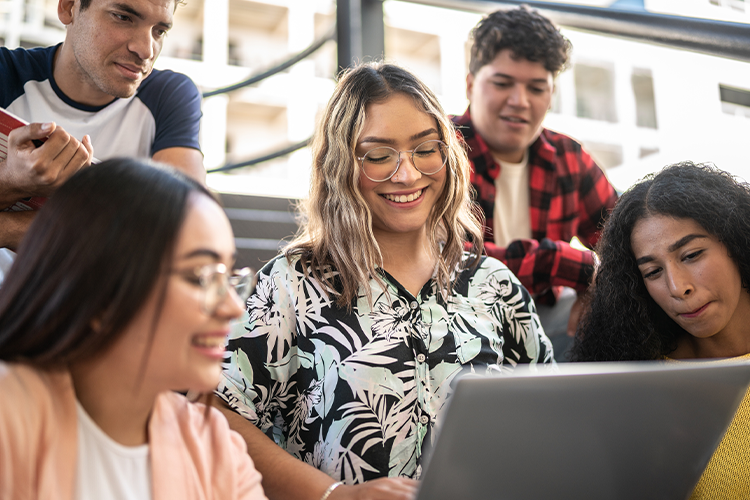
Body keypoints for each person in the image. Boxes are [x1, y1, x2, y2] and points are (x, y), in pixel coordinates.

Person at [215, 62, 554, 500]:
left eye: (425, 149)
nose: (407, 174)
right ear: (340, 165)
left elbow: (551, 415)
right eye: (378, 156)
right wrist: (336, 495)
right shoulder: (291, 283)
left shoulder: (494, 284)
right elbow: (217, 412)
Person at [0, 159, 266, 500]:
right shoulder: (10, 420)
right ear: (99, 292)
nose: (233, 307)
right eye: (202, 277)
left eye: (230, 278)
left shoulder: (217, 450)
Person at [571, 162, 750, 498]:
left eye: (692, 255)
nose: (677, 287)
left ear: (737, 240)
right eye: (652, 272)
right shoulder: (640, 382)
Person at [451, 6, 618, 358]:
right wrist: (564, 263)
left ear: (551, 94)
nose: (520, 101)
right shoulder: (436, 150)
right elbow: (444, 258)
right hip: (453, 325)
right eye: (502, 83)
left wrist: (601, 284)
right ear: (469, 85)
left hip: (542, 324)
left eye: (536, 87)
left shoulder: (568, 158)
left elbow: (627, 240)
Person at [0, 0, 204, 280]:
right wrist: (11, 181)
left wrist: (8, 228)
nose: (145, 50)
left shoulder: (169, 95)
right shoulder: (4, 74)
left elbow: (190, 234)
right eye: (123, 17)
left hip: (102, 316)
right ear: (69, 7)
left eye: (159, 31)